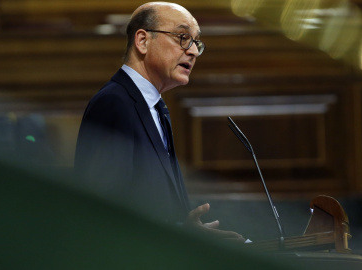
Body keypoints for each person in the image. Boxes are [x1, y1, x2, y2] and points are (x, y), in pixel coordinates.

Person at [74, 2, 244, 242]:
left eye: (196, 42)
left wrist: (188, 232)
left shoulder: (155, 106)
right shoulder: (114, 103)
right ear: (142, 41)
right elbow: (103, 214)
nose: (193, 51)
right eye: (182, 37)